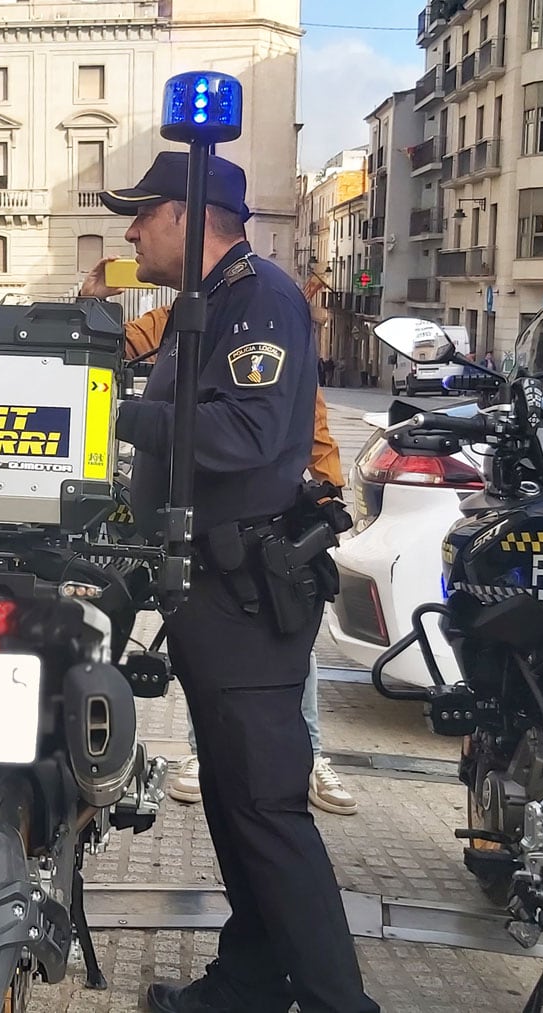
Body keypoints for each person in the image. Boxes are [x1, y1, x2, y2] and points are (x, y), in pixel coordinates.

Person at [97, 151, 380, 1013]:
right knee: (234, 804)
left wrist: (108, 411)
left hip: (249, 595)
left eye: (143, 213)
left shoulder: (259, 299)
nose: (131, 229)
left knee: (267, 812)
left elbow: (242, 435)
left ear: (191, 214)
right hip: (213, 593)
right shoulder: (205, 303)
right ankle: (251, 982)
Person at [83, 274, 358, 816]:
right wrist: (91, 304)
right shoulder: (185, 318)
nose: (322, 311)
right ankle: (200, 752)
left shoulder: (280, 330)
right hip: (211, 522)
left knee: (282, 646)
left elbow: (312, 433)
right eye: (319, 300)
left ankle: (313, 756)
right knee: (205, 633)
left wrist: (326, 499)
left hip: (280, 524)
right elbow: (117, 343)